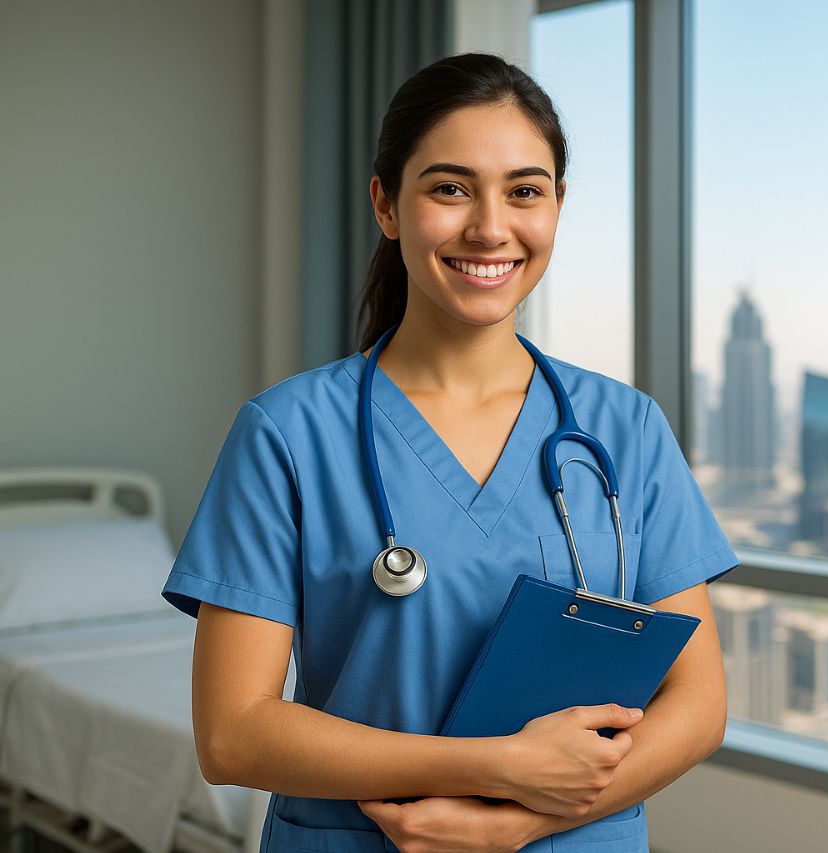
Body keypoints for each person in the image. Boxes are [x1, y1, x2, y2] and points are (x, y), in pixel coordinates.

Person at [161, 52, 739, 853]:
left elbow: (699, 701)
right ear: (387, 206)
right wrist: (495, 768)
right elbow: (232, 733)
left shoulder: (626, 428)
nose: (490, 227)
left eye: (525, 191)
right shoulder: (288, 434)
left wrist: (526, 819)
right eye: (449, 188)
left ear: (558, 208)